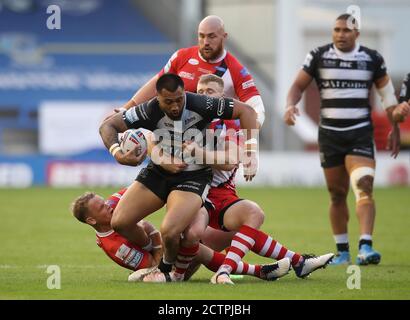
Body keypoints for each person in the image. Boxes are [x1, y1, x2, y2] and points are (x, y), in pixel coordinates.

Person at [144, 74, 334, 284]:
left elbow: (231, 159)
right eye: (199, 92)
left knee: (251, 216)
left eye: (210, 92)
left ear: (222, 97)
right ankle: (283, 265)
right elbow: (153, 138)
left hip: (221, 195)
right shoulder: (184, 118)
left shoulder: (230, 126)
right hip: (192, 194)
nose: (204, 97)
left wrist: (245, 153)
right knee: (193, 236)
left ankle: (222, 271)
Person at [99, 73, 259, 280]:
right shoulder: (148, 110)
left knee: (171, 231)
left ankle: (165, 270)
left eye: (179, 100)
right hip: (157, 173)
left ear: (184, 93)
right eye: (168, 102)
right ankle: (157, 254)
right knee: (119, 222)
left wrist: (250, 151)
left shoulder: (203, 104)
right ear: (157, 98)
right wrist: (118, 154)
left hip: (193, 177)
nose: (175, 107)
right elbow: (107, 126)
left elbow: (246, 111)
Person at [283, 14, 403, 265]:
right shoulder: (318, 55)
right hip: (329, 136)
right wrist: (290, 105)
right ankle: (343, 252)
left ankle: (366, 247)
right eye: (336, 30)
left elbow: (388, 99)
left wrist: (395, 124)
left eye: (346, 30)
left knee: (364, 185)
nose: (340, 34)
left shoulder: (372, 59)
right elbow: (297, 86)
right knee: (337, 194)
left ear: (357, 33)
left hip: (359, 133)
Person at [71, 189, 291, 282]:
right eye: (101, 207)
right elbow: (153, 262)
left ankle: (290, 260)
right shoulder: (114, 246)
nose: (108, 205)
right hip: (167, 270)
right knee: (191, 241)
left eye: (104, 202)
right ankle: (259, 271)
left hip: (168, 253)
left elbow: (139, 188)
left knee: (228, 233)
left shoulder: (112, 208)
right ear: (91, 220)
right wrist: (157, 235)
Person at [119, 15, 265, 129]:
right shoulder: (182, 57)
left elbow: (256, 106)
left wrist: (253, 128)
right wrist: (126, 108)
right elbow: (157, 84)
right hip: (181, 136)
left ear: (224, 37)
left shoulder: (235, 69)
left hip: (217, 142)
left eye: (212, 36)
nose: (206, 41)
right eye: (201, 36)